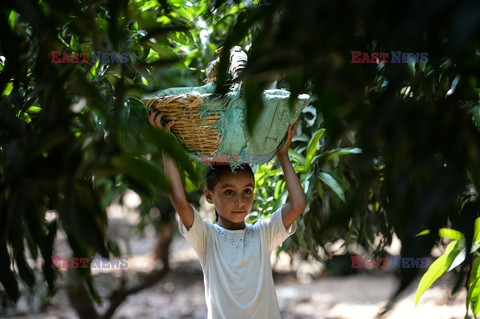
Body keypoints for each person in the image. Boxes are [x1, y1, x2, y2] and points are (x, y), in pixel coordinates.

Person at [148, 111, 307, 319]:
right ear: (209, 196)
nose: (240, 201)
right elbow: (179, 201)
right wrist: (166, 146)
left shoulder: (263, 234)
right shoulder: (207, 237)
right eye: (229, 192)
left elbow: (298, 204)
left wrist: (282, 155)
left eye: (247, 191)